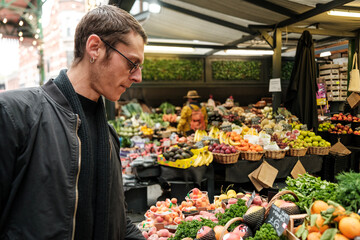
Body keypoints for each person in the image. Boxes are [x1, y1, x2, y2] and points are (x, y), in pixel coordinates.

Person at [0, 5, 147, 240]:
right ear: (95, 48)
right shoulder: (15, 114)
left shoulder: (109, 137)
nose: (137, 76)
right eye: (132, 63)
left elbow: (116, 221)